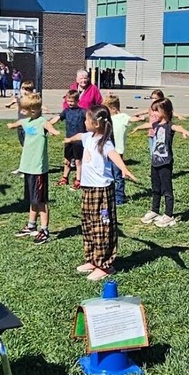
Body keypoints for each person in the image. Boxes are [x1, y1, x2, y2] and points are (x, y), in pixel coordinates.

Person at [66, 105, 136, 281]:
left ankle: (105, 265)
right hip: (88, 189)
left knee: (102, 228)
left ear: (96, 124)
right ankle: (92, 259)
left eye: (87, 120)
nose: (84, 122)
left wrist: (124, 169)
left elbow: (114, 155)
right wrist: (68, 140)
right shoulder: (88, 137)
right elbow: (79, 136)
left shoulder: (105, 143)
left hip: (102, 191)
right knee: (88, 225)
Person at [8, 93, 60, 244]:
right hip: (28, 168)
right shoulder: (27, 121)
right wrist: (12, 125)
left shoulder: (42, 122)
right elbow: (20, 122)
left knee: (41, 201)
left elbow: (49, 126)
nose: (21, 111)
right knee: (33, 199)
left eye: (23, 109)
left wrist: (54, 131)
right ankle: (31, 226)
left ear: (33, 110)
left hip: (38, 169)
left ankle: (44, 230)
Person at [135, 98, 189, 228]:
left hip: (165, 163)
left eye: (157, 110)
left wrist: (184, 131)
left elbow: (177, 127)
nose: (153, 113)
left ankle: (168, 215)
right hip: (155, 161)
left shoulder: (169, 126)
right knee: (155, 188)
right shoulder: (156, 125)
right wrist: (138, 127)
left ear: (165, 111)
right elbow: (148, 125)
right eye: (153, 110)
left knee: (167, 190)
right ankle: (155, 211)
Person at [49, 90, 86, 189]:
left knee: (78, 162)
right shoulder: (66, 111)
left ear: (78, 101)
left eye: (72, 101)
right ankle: (65, 178)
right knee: (67, 161)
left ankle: (78, 180)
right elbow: (57, 118)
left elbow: (90, 121)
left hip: (79, 141)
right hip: (68, 140)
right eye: (68, 101)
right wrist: (48, 125)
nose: (69, 103)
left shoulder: (82, 112)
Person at [103, 95, 131, 205]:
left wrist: (140, 118)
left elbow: (131, 119)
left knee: (118, 176)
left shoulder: (122, 117)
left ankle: (119, 197)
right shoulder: (106, 119)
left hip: (118, 152)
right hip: (108, 151)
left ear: (114, 108)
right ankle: (111, 194)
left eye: (107, 109)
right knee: (109, 174)